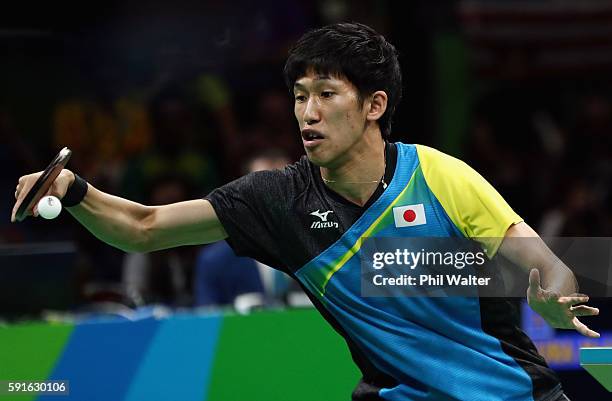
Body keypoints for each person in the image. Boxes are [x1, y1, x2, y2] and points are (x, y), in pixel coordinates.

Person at [12, 22, 599, 401]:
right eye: (299, 96)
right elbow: (144, 228)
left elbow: (548, 267)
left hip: (513, 395)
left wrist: (550, 295)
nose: (306, 112)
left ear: (375, 105)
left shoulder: (438, 177)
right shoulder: (279, 201)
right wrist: (76, 191)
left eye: (325, 94)